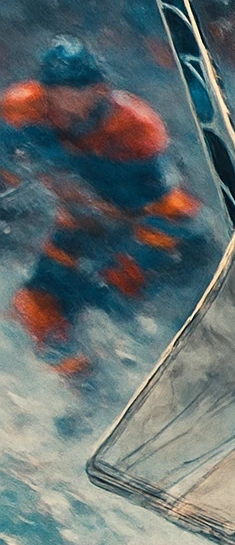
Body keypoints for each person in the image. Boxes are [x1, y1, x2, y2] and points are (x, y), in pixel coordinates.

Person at [3, 37, 205, 384]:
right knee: (35, 305)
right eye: (51, 89)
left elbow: (165, 208)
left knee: (111, 299)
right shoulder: (22, 109)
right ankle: (88, 389)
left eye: (70, 89)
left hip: (158, 231)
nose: (57, 101)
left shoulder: (135, 126)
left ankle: (162, 375)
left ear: (98, 90)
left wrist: (122, 267)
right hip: (84, 226)